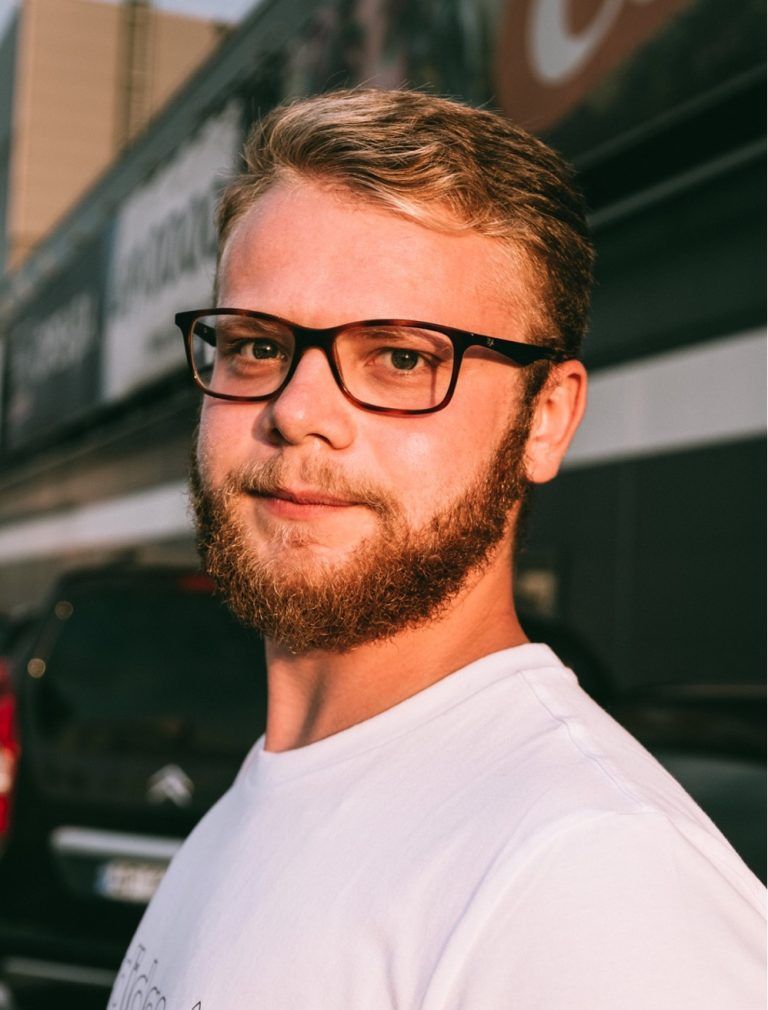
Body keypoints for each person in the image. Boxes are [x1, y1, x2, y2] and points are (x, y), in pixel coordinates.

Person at [109, 89, 765, 1008]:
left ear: (547, 419)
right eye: (257, 344)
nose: (296, 410)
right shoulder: (267, 797)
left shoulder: (588, 885)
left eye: (403, 358)